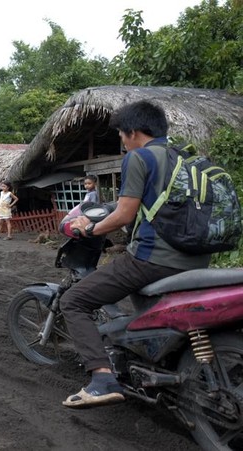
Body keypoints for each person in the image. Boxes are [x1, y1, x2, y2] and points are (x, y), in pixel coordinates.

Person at [61, 100, 211, 408]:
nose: (121, 139)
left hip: (153, 260)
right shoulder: (184, 159)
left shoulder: (139, 157)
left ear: (132, 131)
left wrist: (90, 229)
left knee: (73, 301)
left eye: (120, 133)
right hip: (197, 260)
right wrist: (99, 217)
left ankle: (102, 379)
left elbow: (124, 215)